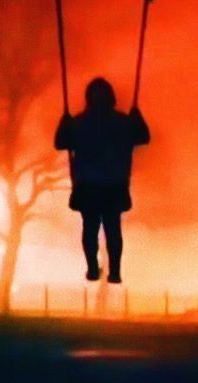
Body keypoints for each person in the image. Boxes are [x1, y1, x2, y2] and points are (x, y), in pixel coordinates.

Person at [54, 78, 150, 284]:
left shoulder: (80, 123)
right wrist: (137, 118)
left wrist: (64, 124)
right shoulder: (123, 123)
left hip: (87, 184)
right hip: (114, 184)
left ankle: (92, 268)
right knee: (113, 228)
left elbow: (60, 142)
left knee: (90, 227)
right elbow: (143, 137)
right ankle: (114, 271)